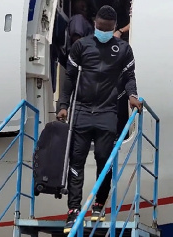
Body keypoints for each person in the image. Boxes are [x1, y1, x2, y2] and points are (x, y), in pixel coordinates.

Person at [57, 5, 142, 234]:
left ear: (114, 27)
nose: (103, 32)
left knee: (105, 159)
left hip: (107, 112)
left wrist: (132, 96)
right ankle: (73, 209)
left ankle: (98, 204)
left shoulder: (123, 49)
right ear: (95, 24)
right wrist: (63, 105)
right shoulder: (81, 46)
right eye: (100, 28)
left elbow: (129, 77)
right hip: (82, 111)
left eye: (107, 29)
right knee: (76, 161)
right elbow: (69, 77)